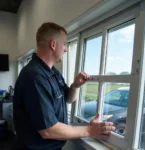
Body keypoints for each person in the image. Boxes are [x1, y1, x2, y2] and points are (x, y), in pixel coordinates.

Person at [12, 22, 115, 150]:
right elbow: (48, 130)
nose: (66, 49)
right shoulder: (33, 77)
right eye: (64, 44)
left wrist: (76, 86)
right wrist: (89, 130)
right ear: (53, 45)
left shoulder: (53, 72)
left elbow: (68, 99)